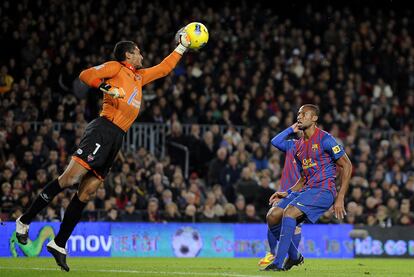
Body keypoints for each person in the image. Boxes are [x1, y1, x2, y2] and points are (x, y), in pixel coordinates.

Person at [15, 30, 192, 271]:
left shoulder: (139, 77)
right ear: (128, 54)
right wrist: (108, 88)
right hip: (102, 129)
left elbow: (164, 68)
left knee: (87, 193)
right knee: (70, 179)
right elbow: (85, 75)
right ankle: (24, 221)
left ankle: (59, 243)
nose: (141, 54)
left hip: (117, 138)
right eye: (138, 51)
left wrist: (182, 47)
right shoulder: (115, 68)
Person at [263, 104, 352, 271]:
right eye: (298, 114)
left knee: (289, 212)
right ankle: (295, 257)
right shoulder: (298, 145)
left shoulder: (325, 139)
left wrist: (340, 198)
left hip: (324, 191)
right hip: (306, 190)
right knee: (273, 215)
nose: (300, 116)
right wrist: (287, 192)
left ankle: (277, 264)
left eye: (304, 114)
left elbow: (347, 165)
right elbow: (276, 142)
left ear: (314, 118)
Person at [258, 123, 302, 268]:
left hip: (300, 193)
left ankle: (289, 256)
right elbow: (275, 141)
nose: (302, 132)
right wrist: (290, 129)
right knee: (274, 219)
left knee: (292, 225)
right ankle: (285, 255)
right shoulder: (292, 145)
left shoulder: (315, 151)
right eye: (300, 130)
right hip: (284, 191)